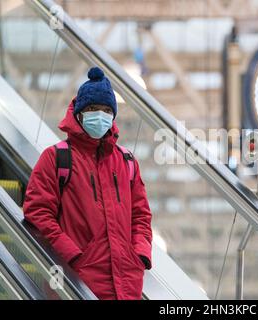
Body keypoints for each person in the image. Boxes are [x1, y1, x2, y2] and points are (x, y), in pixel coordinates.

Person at [23, 67, 152, 300]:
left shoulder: (127, 162)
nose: (100, 115)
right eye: (92, 109)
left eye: (106, 110)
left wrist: (140, 254)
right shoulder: (56, 158)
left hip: (127, 284)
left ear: (113, 116)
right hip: (76, 282)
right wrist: (71, 254)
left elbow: (141, 215)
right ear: (79, 114)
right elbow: (37, 212)